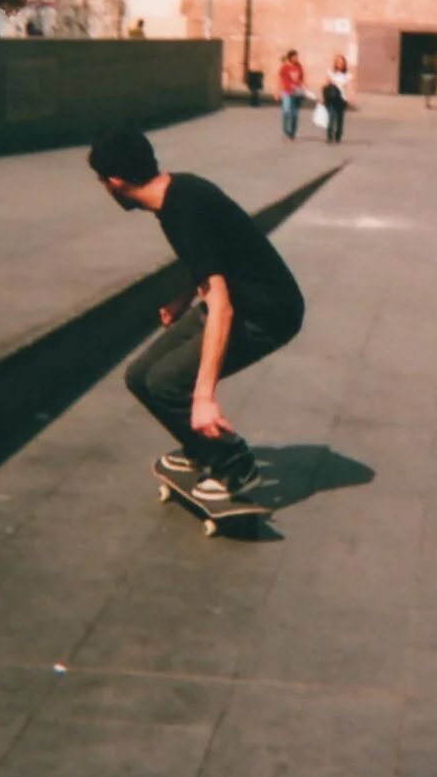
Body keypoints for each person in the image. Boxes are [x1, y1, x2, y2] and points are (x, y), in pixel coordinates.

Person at [88, 128, 305, 501]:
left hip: (268, 313)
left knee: (168, 384)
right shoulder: (180, 190)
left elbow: (221, 303)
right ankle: (203, 449)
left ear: (116, 182)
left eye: (102, 183)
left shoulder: (178, 212)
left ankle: (235, 465)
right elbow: (210, 255)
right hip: (241, 299)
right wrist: (183, 298)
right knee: (140, 376)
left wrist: (204, 396)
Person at [322, 53, 353, 145]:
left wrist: (351, 98)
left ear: (344, 64)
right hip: (332, 97)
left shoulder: (347, 75)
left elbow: (350, 87)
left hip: (341, 99)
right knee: (331, 116)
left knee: (340, 118)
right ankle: (329, 136)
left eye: (341, 62)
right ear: (335, 63)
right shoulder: (331, 73)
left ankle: (338, 136)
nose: (339, 64)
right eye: (338, 62)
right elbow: (325, 84)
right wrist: (323, 96)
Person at [277, 50, 306, 140]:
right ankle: (286, 131)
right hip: (287, 92)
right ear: (290, 57)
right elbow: (280, 79)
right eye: (294, 57)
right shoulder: (285, 67)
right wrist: (277, 91)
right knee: (286, 111)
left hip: (297, 92)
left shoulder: (299, 66)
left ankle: (293, 132)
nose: (296, 59)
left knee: (295, 113)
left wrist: (305, 88)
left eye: (297, 57)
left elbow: (302, 79)